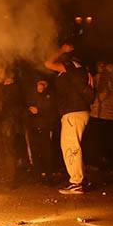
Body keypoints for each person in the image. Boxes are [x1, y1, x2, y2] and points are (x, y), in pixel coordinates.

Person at [45, 42, 94, 195]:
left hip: (73, 112)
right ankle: (78, 180)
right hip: (77, 111)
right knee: (71, 146)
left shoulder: (71, 66)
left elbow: (48, 63)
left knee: (71, 147)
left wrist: (60, 50)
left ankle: (76, 182)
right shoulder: (81, 70)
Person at [26, 78, 60, 182]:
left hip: (45, 127)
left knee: (47, 152)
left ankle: (49, 175)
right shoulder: (31, 94)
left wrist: (39, 111)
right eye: (39, 84)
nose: (40, 86)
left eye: (43, 84)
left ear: (46, 85)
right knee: (35, 152)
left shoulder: (50, 95)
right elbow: (26, 107)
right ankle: (37, 175)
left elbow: (52, 111)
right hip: (33, 127)